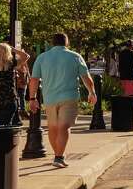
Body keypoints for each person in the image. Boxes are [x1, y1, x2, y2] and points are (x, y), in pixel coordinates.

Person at [28, 33, 96, 169]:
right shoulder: (75, 56)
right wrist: (92, 92)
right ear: (67, 42)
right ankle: (59, 157)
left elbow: (34, 79)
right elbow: (86, 77)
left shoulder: (42, 57)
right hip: (69, 97)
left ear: (52, 43)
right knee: (64, 127)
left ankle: (57, 155)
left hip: (49, 98)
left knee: (53, 127)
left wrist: (32, 98)